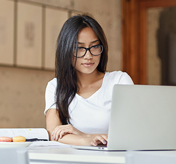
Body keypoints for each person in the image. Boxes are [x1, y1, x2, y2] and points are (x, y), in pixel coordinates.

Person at [45, 14, 134, 147]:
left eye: (94, 47)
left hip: (113, 163)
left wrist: (81, 134)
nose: (88, 56)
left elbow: (132, 135)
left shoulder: (119, 81)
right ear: (66, 50)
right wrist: (86, 140)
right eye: (79, 48)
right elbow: (53, 134)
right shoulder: (56, 86)